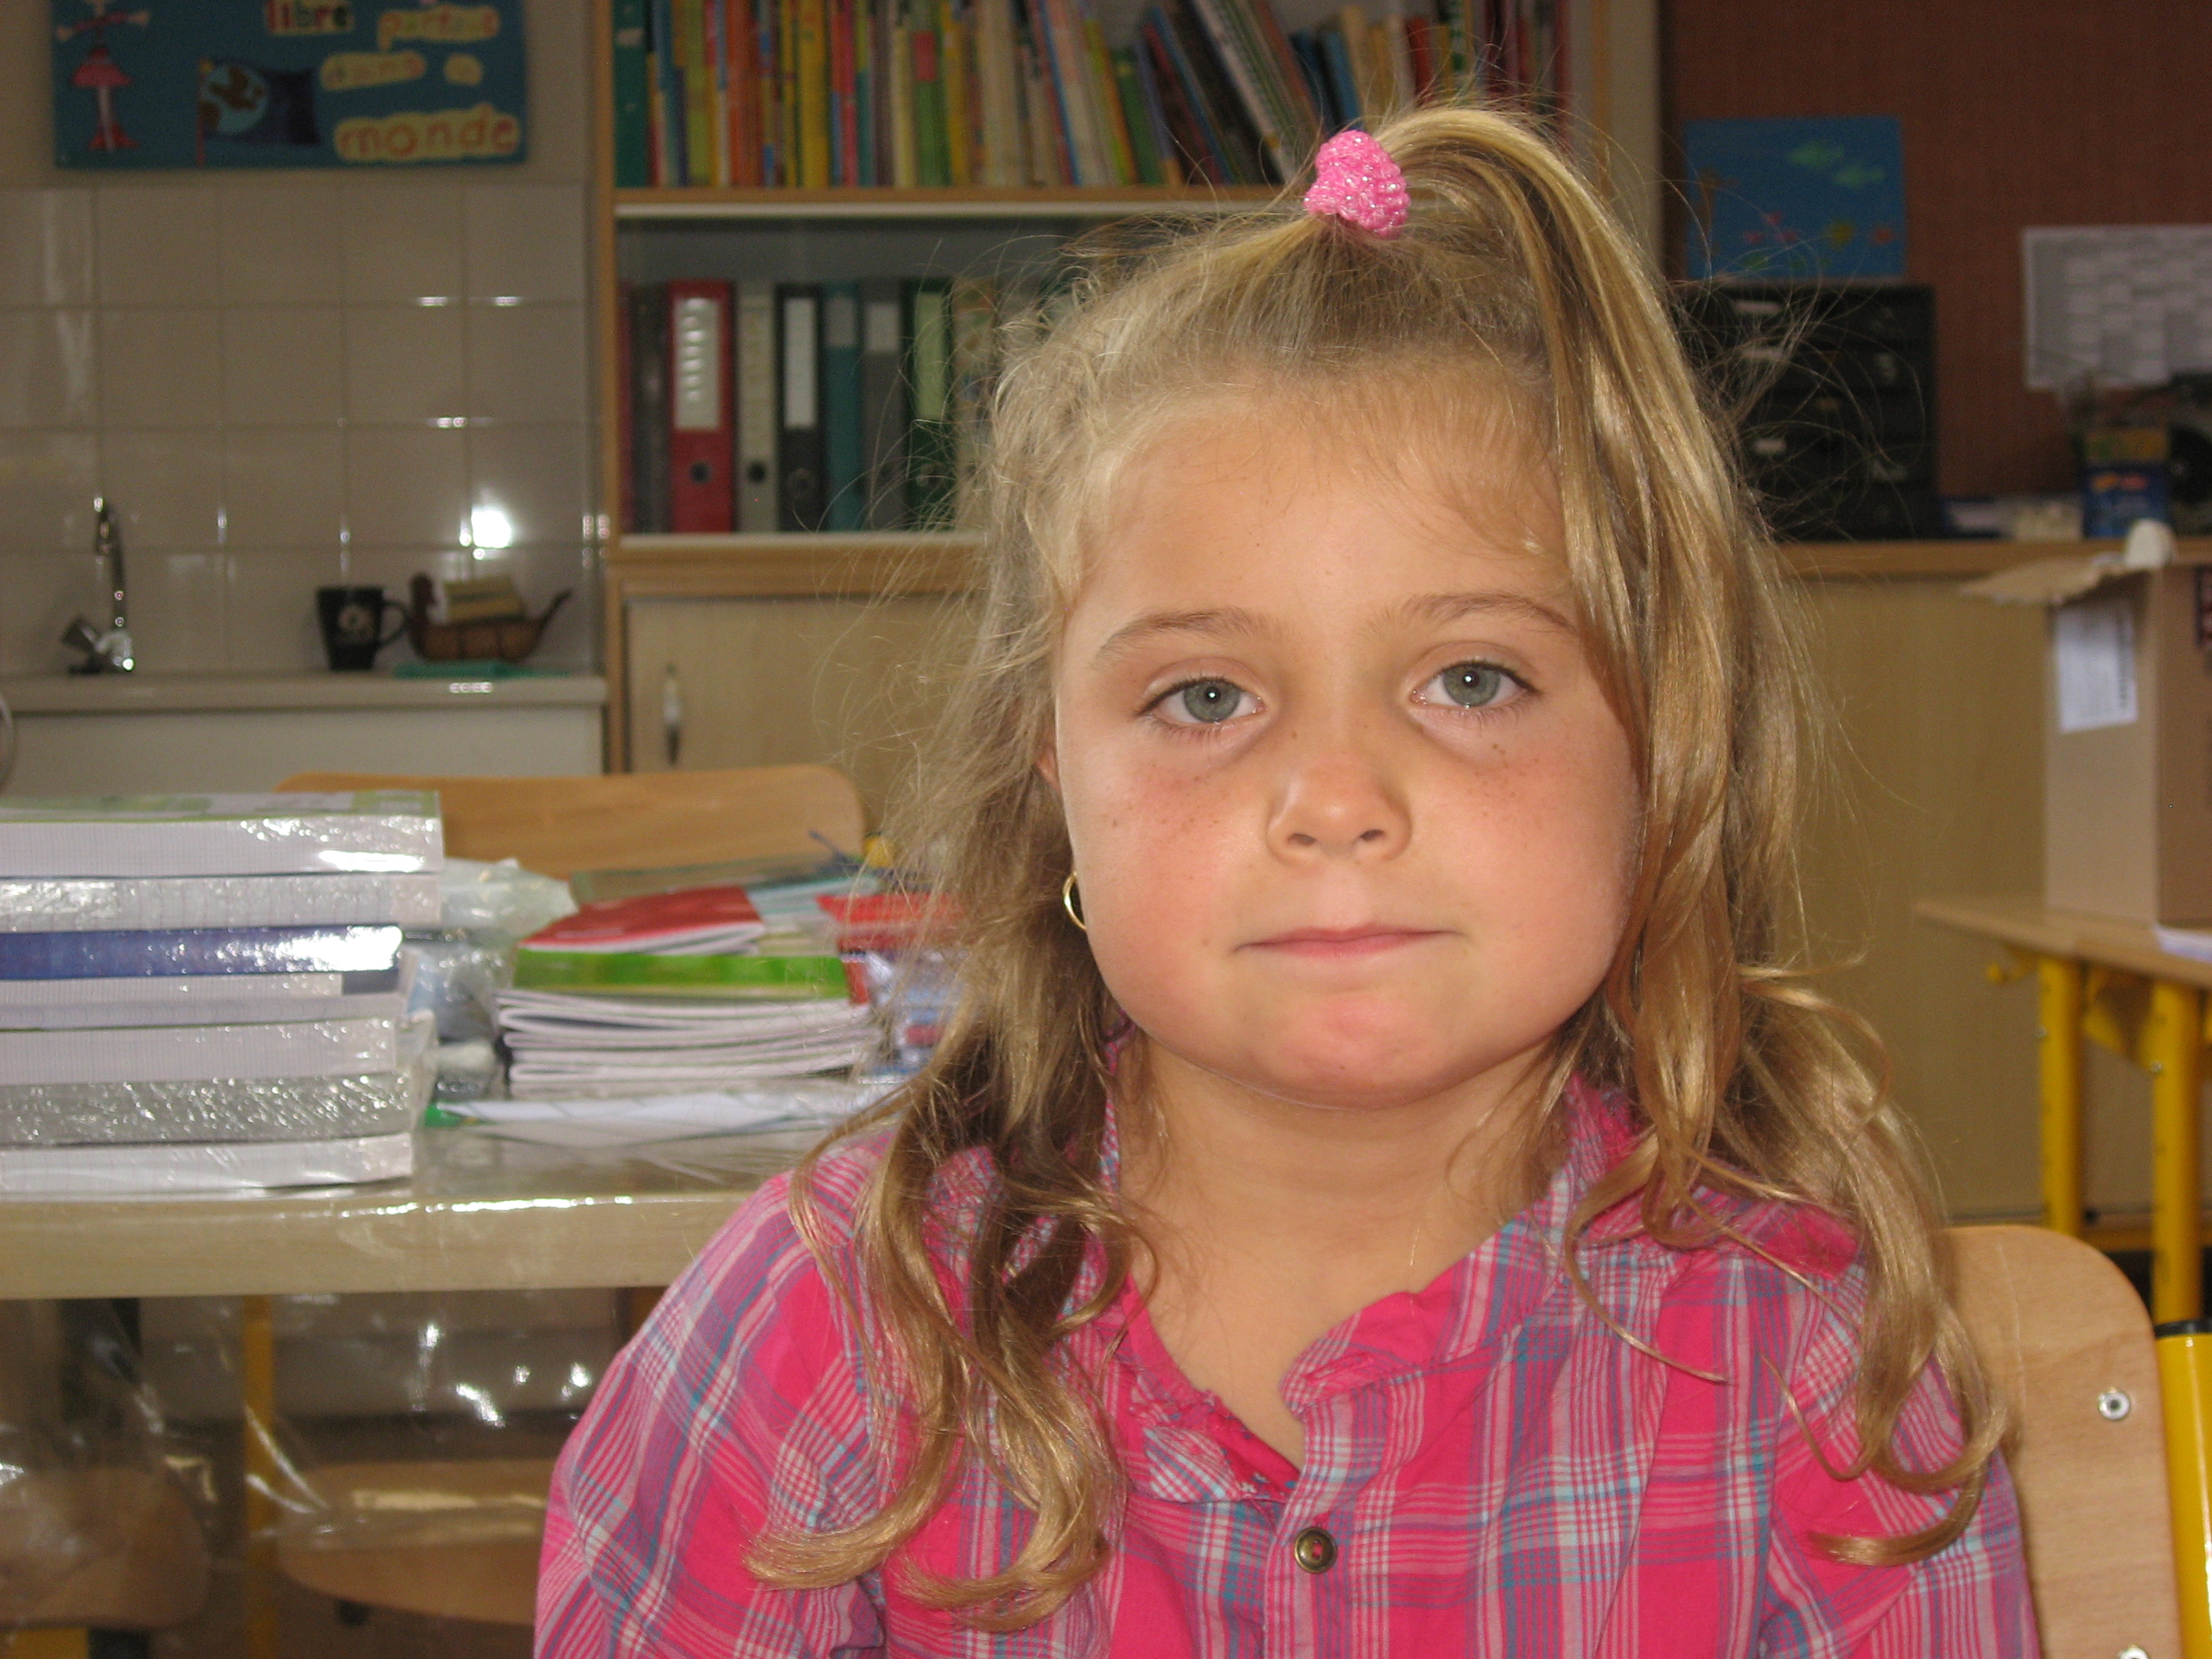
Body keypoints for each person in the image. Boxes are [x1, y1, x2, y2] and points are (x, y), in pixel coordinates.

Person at [537, 107, 2038, 1656]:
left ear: (1663, 744)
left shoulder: (1808, 1356)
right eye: (1205, 698)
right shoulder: (823, 1329)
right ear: (1051, 765)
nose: (1334, 803)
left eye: (1471, 679)